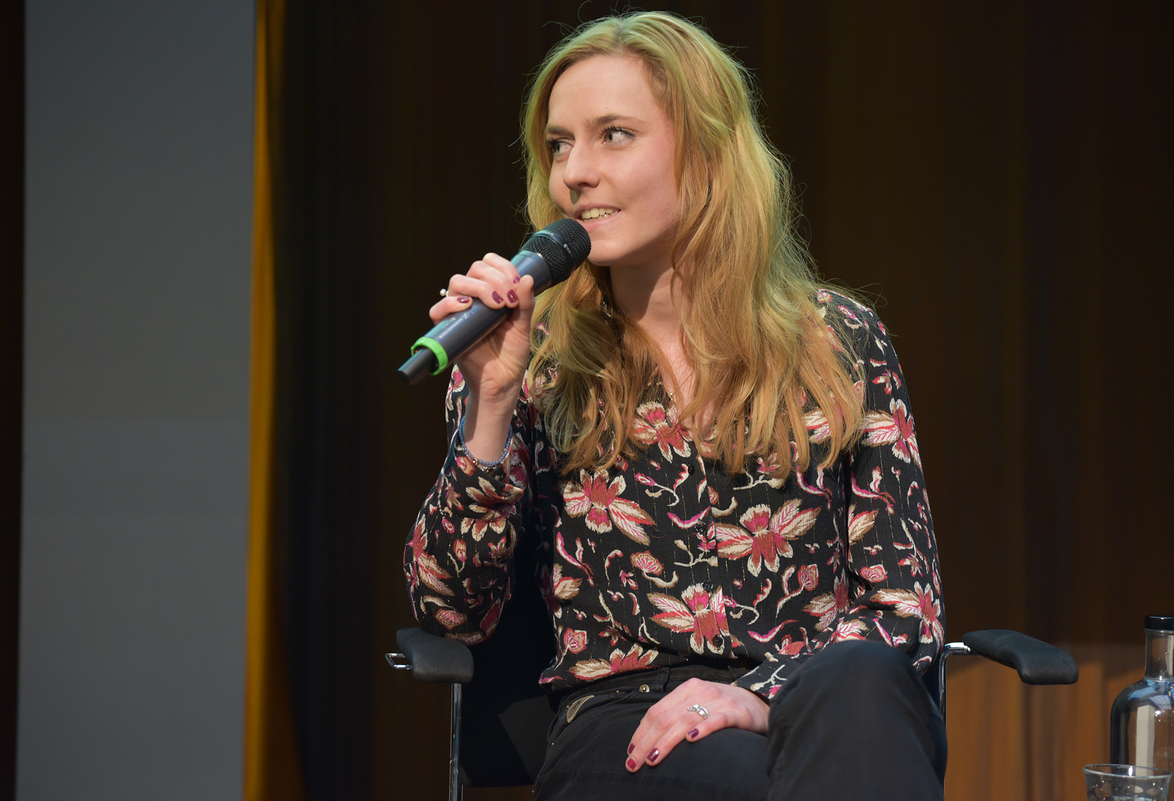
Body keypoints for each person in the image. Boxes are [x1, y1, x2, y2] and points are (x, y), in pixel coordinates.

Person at [404, 11, 945, 801]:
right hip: (624, 724)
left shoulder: (839, 342)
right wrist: (489, 404)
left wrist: (759, 694)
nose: (574, 172)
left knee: (862, 681)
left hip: (812, 706)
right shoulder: (531, 356)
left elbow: (904, 611)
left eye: (613, 135)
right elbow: (450, 611)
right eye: (559, 144)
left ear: (709, 154)